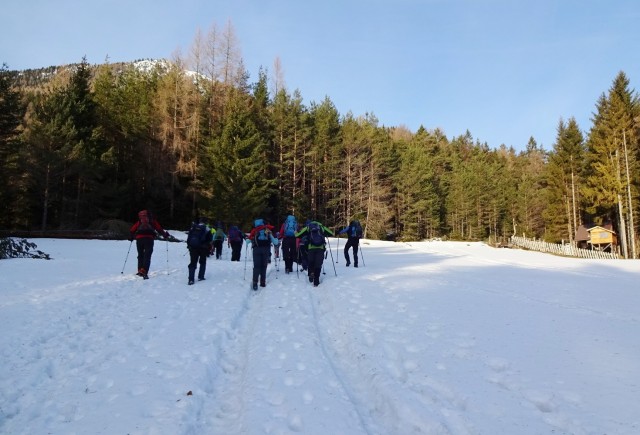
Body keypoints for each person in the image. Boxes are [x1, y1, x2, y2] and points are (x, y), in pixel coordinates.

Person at [129, 209, 170, 279]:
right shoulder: (152, 221)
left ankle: (139, 270)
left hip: (139, 240)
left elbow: (132, 230)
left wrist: (131, 236)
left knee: (140, 255)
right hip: (149, 239)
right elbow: (159, 229)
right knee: (147, 255)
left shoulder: (139, 221)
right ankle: (144, 271)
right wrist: (165, 235)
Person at [295, 220, 334, 287]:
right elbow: (331, 233)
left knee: (311, 262)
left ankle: (311, 273)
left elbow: (298, 235)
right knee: (318, 264)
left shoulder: (308, 227)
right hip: (321, 248)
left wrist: (295, 233)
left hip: (311, 248)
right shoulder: (321, 227)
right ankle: (316, 281)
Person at [248, 218, 279, 290]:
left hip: (256, 250)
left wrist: (248, 241)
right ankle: (262, 282)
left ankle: (255, 283)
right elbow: (275, 242)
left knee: (256, 266)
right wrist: (277, 240)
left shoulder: (255, 230)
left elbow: (248, 240)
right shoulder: (267, 230)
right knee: (263, 266)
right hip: (265, 250)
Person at [186, 217, 213, 285]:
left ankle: (191, 279)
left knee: (193, 262)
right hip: (203, 248)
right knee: (202, 262)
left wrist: (189, 245)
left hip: (193, 247)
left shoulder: (193, 228)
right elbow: (210, 239)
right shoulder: (207, 229)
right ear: (206, 222)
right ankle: (201, 276)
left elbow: (189, 237)